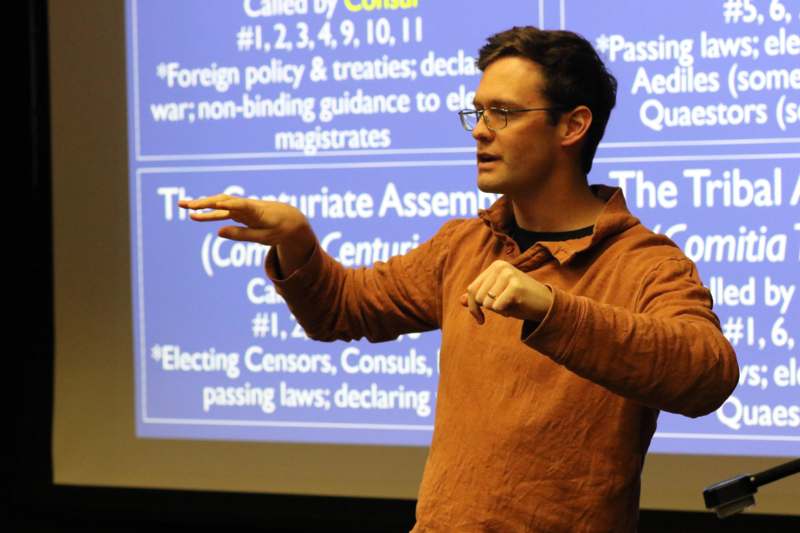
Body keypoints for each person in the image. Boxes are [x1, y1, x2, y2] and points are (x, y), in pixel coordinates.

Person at [179, 26, 739, 533]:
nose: (480, 132)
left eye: (503, 113)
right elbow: (343, 310)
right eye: (477, 113)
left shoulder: (644, 261)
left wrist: (552, 309)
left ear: (573, 125)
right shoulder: (465, 244)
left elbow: (707, 373)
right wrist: (299, 242)